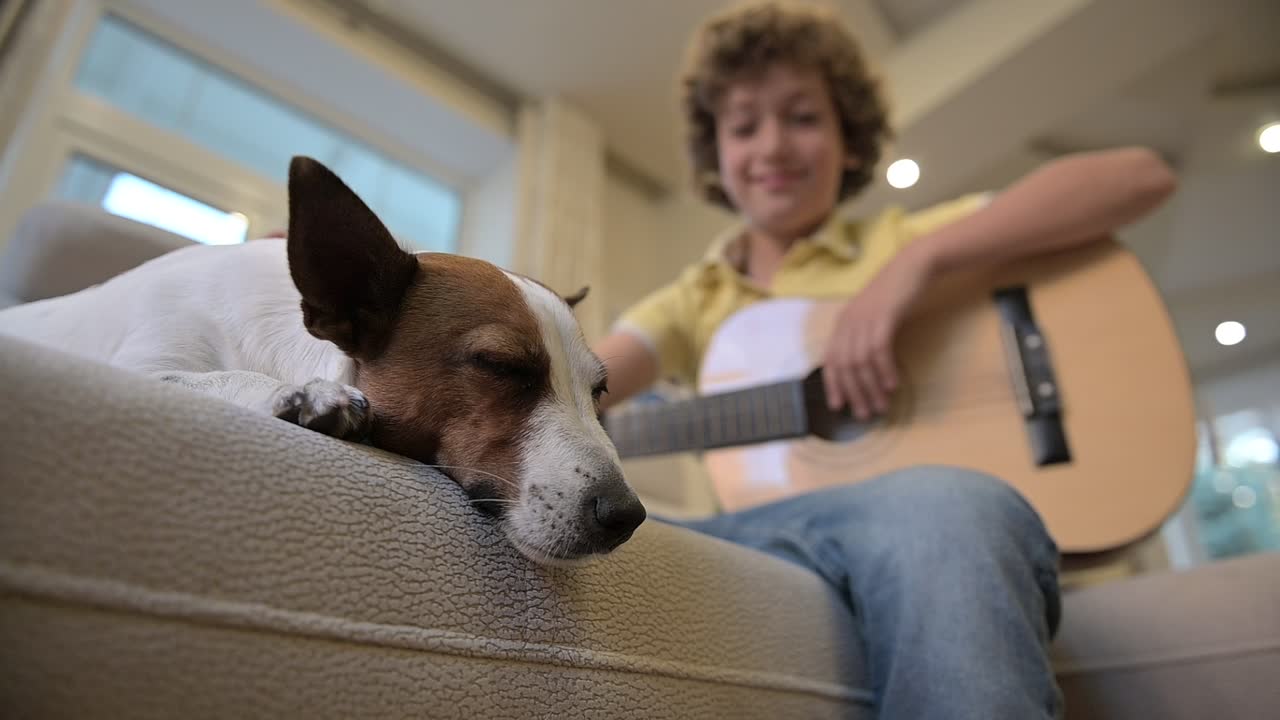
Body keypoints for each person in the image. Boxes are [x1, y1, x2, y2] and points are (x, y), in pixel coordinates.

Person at [591, 2, 1178, 718]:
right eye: (744, 125)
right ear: (717, 153)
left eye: (803, 117)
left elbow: (1141, 176)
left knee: (947, 503)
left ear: (850, 140)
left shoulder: (900, 242)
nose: (772, 145)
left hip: (926, 526)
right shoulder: (692, 299)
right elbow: (580, 382)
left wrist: (916, 267)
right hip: (772, 539)